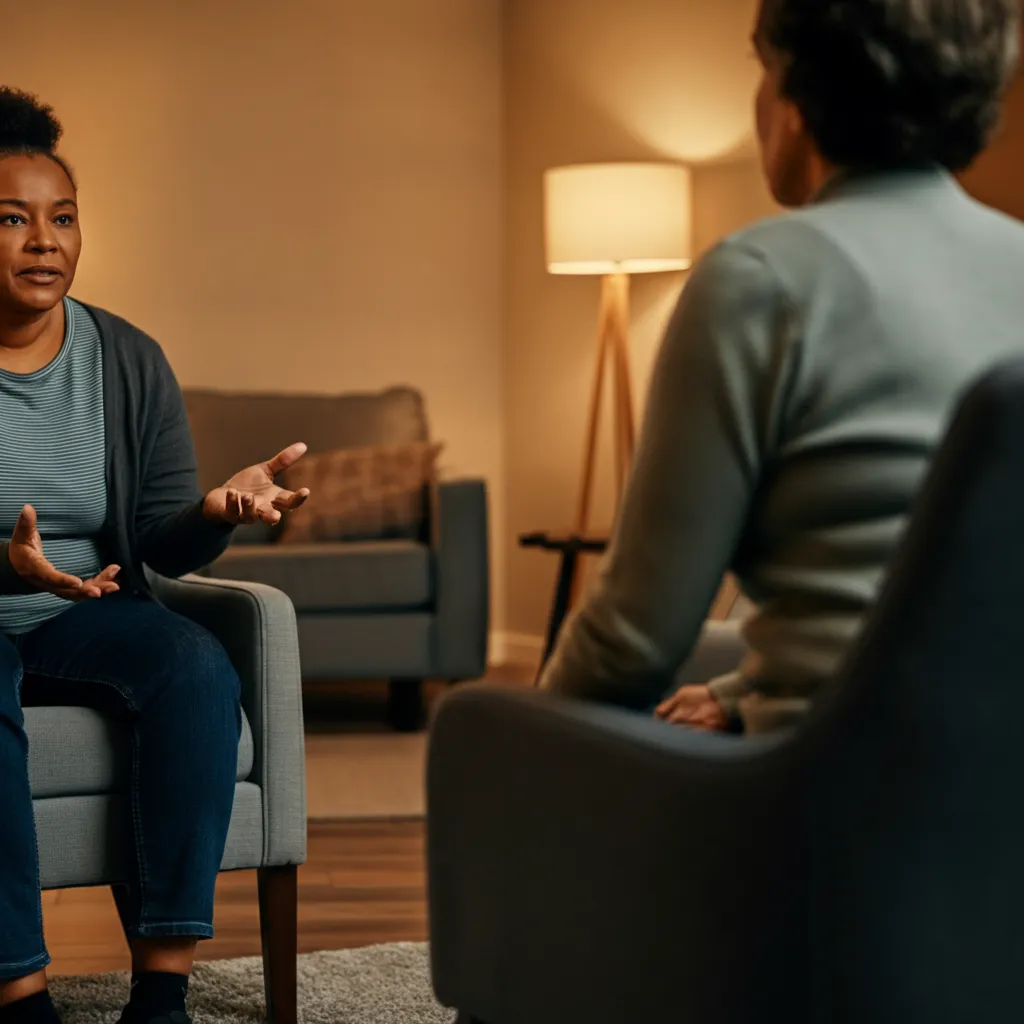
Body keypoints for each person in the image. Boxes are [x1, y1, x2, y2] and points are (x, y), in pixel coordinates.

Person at [539, 0, 1024, 734]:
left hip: (829, 797)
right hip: (995, 795)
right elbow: (944, 608)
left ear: (795, 95)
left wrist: (519, 729)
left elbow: (630, 647)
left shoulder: (758, 281)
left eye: (761, 69)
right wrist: (738, 695)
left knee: (478, 731)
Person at [0, 89, 311, 1024]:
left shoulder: (125, 357)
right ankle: (21, 994)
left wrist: (216, 509)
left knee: (191, 663)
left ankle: (164, 990)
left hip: (83, 612)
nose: (43, 241)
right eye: (11, 219)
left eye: (62, 218)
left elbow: (157, 541)